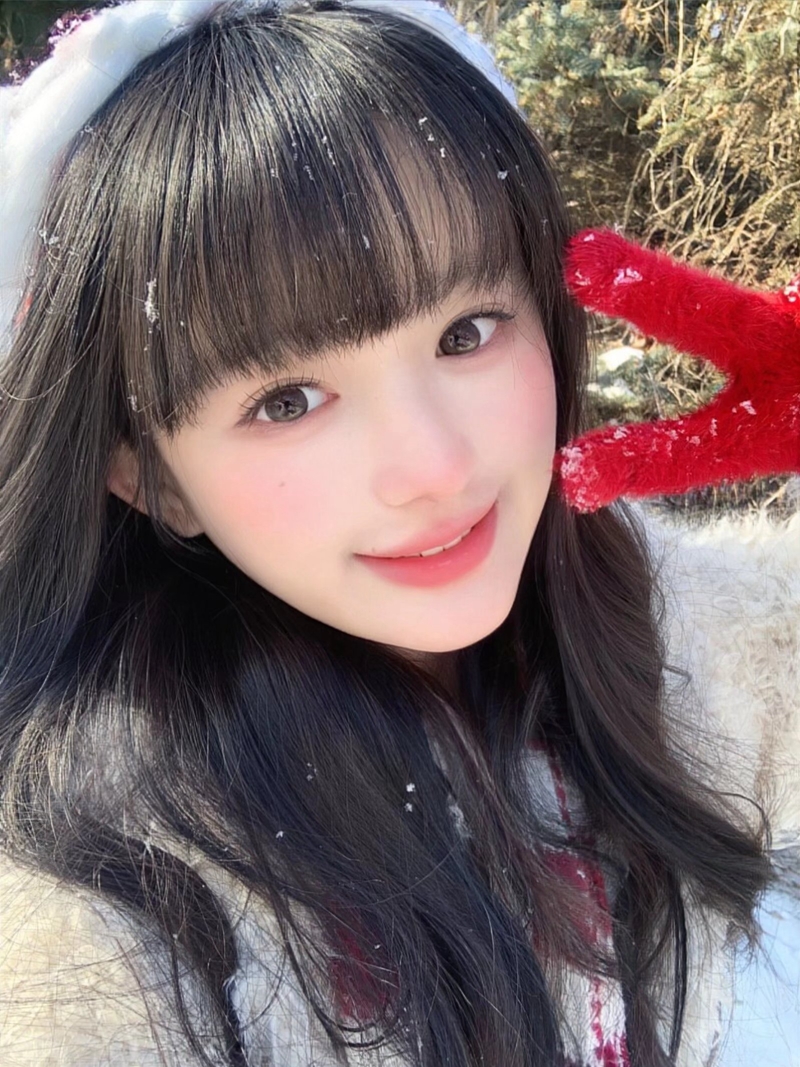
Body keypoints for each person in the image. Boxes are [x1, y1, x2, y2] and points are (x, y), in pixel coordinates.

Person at [0, 2, 797, 1065]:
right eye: (286, 399)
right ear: (148, 477)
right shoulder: (118, 902)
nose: (435, 467)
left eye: (466, 331)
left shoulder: (681, 631)